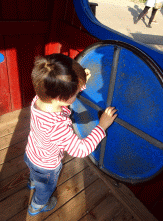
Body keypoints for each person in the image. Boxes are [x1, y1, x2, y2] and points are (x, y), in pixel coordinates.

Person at [24, 53, 117, 216]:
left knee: (35, 174)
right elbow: (80, 150)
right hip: (47, 167)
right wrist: (102, 126)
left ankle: (33, 182)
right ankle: (37, 205)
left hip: (31, 153)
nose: (80, 93)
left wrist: (79, 82)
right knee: (45, 189)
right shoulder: (57, 125)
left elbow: (63, 95)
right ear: (64, 97)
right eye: (76, 93)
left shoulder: (40, 97)